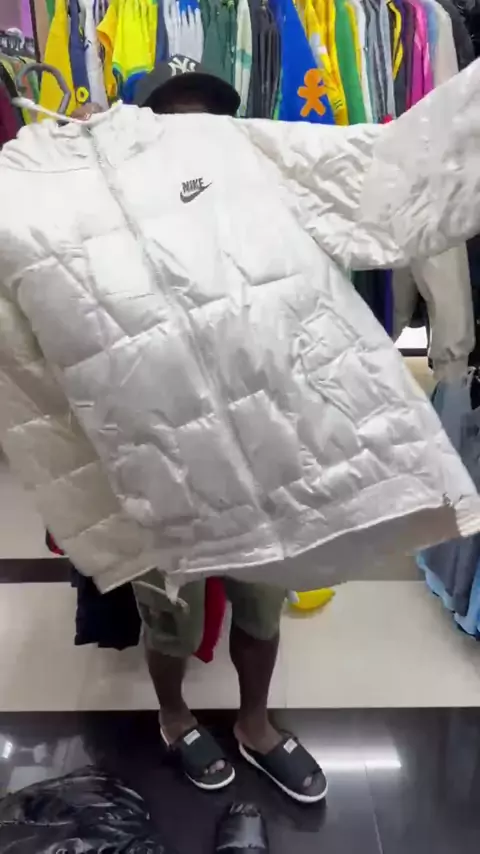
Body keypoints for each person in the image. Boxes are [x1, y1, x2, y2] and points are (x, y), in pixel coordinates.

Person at [71, 56, 327, 805]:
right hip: (162, 452)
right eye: (172, 120)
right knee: (171, 618)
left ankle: (254, 723)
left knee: (262, 603)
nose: (192, 136)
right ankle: (175, 717)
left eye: (207, 119)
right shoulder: (105, 217)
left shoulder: (262, 210)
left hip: (260, 447)